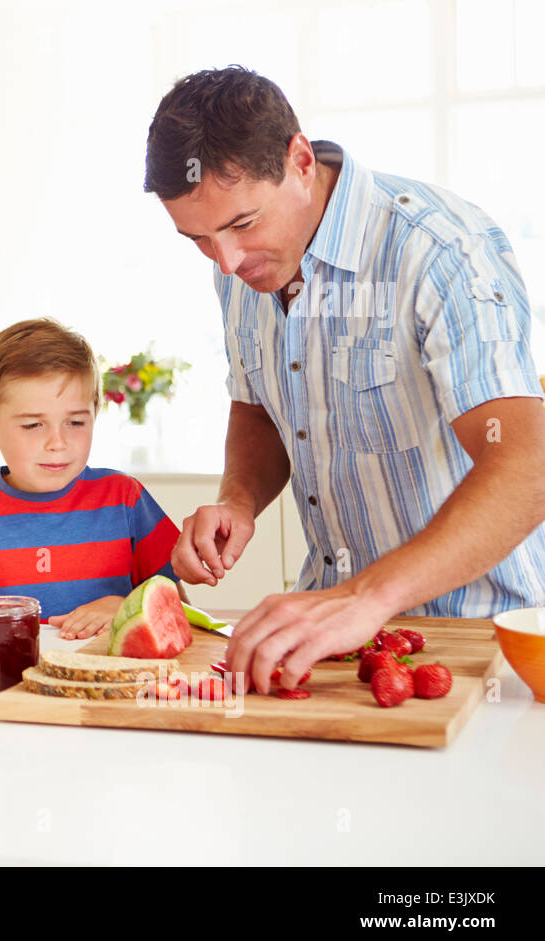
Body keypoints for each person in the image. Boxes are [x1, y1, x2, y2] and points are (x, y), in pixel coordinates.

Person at [144, 67, 545, 693]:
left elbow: (527, 462)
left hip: (479, 640)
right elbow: (258, 407)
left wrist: (365, 597)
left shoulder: (438, 251)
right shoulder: (242, 267)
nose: (226, 260)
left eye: (243, 224)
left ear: (300, 160)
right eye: (197, 238)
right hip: (334, 647)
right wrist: (239, 500)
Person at [0, 318, 183, 640]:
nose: (58, 443)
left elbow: (178, 608)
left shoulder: (125, 499)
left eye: (76, 422)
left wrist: (124, 606)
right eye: (32, 425)